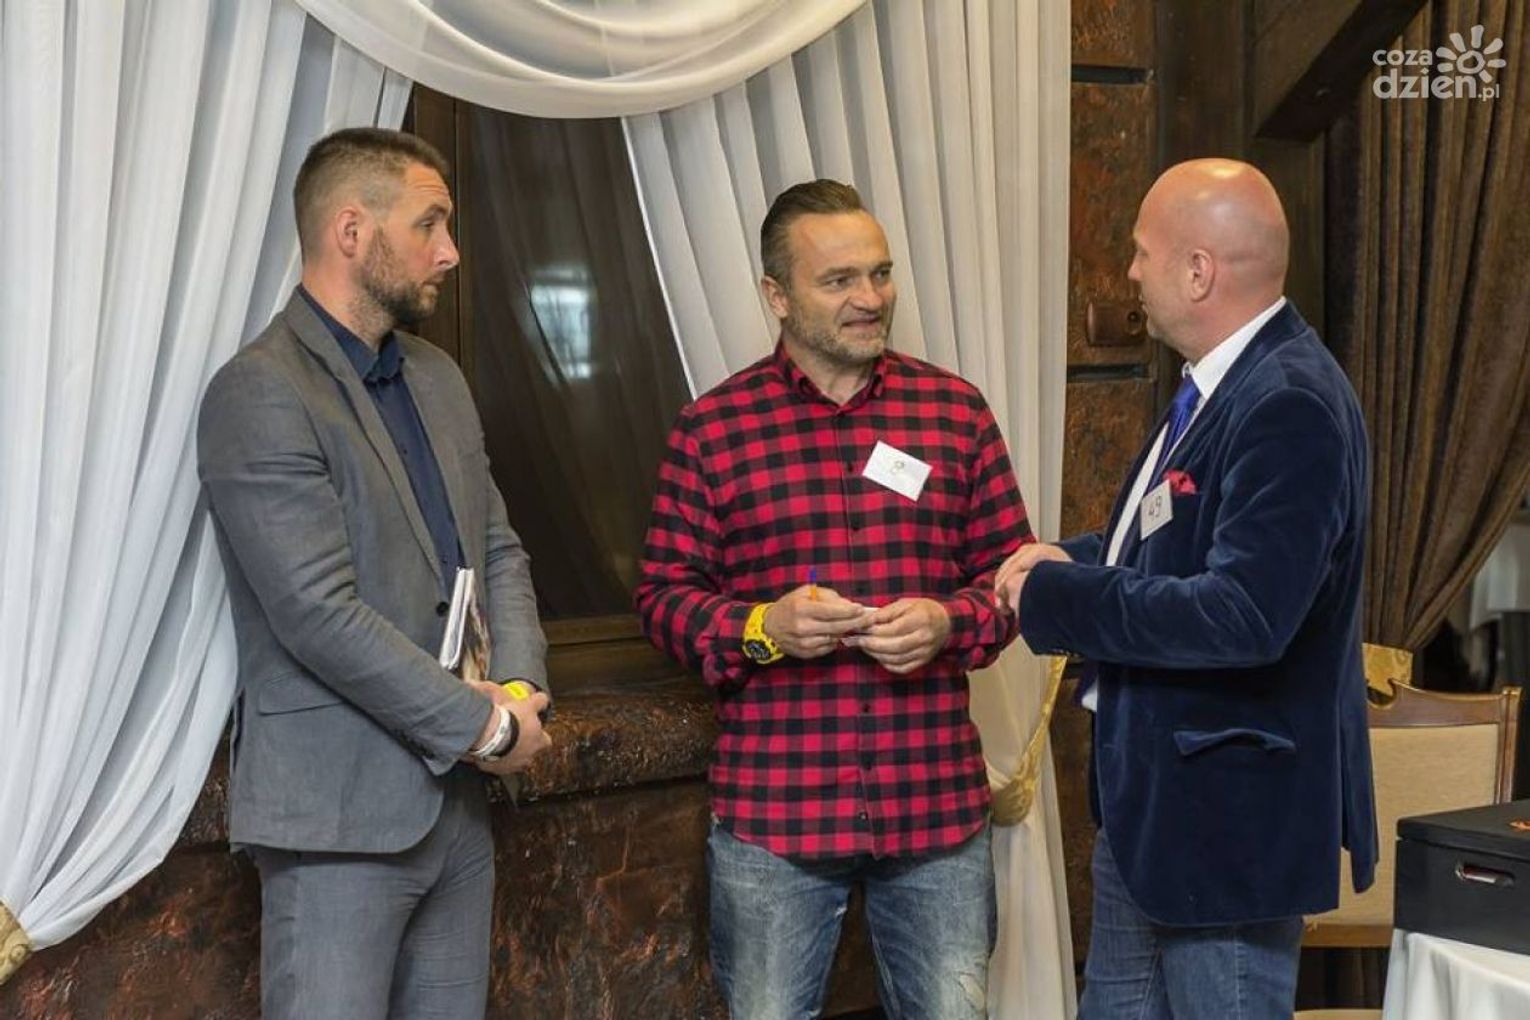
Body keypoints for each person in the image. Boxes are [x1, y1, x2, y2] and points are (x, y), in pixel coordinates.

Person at [636, 179, 1032, 1019]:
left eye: (880, 274)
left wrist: (948, 621)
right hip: (777, 815)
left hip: (934, 808)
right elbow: (663, 597)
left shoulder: (955, 413)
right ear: (777, 295)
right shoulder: (714, 429)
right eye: (840, 280)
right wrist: (761, 626)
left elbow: (1012, 581)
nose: (871, 298)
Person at [996, 158, 1377, 1018]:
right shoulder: (1222, 383)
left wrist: (1059, 598)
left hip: (1225, 831)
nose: (1130, 273)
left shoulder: (1289, 402)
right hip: (1158, 817)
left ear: (1198, 271)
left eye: (1140, 252)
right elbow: (1171, 544)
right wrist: (1067, 557)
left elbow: (1243, 615)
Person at [197, 128, 552, 1019]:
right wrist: (484, 728)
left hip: (461, 811)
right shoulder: (260, 389)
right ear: (351, 232)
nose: (450, 251)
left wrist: (517, 688)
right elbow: (318, 614)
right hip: (338, 820)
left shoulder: (438, 377)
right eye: (430, 223)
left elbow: (497, 548)